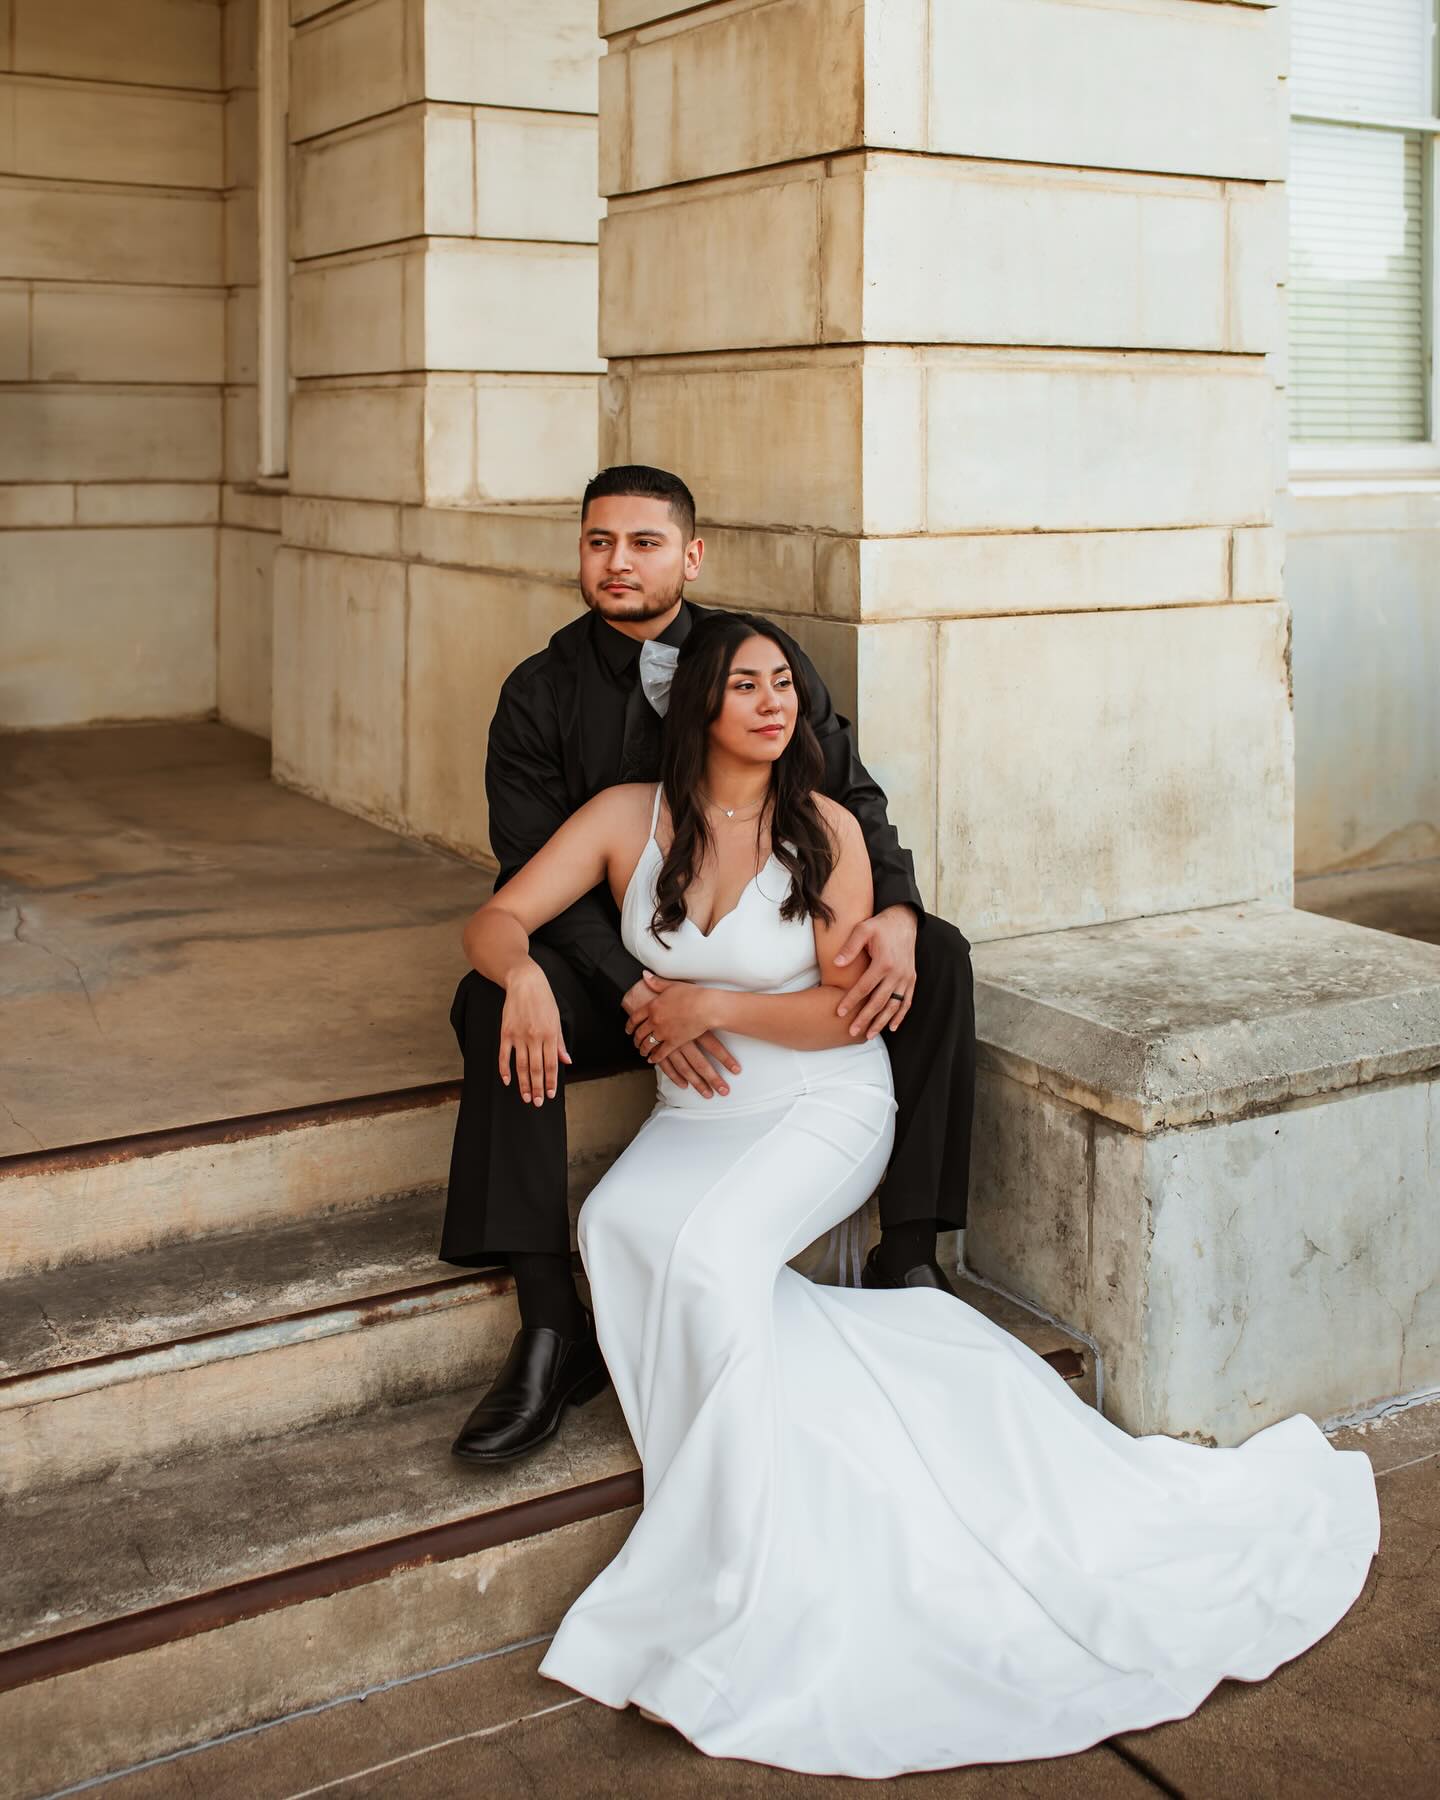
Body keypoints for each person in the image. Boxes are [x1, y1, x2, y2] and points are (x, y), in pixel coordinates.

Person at [460, 610, 1380, 1778]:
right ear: (696, 702)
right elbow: (494, 915)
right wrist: (528, 977)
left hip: (821, 1102)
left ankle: (733, 1568)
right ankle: (836, 1415)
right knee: (613, 1224)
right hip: (699, 1116)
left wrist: (713, 1006)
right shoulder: (619, 821)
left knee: (706, 1262)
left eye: (784, 684)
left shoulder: (826, 830)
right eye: (745, 684)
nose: (772, 702)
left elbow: (848, 1011)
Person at [440, 465, 976, 1462]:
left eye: (645, 543)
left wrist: (895, 908)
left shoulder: (759, 664)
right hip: (606, 960)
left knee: (935, 954)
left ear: (690, 555)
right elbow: (524, 880)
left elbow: (850, 797)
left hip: (757, 986)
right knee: (490, 1003)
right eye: (600, 541)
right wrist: (634, 988)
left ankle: (910, 1254)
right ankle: (553, 1327)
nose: (618, 562)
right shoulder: (539, 694)